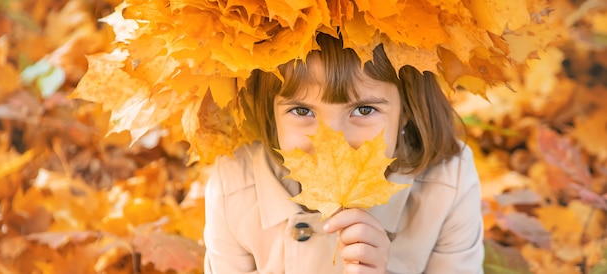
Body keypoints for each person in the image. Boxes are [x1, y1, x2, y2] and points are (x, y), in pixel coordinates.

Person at [203, 33, 484, 273]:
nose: (331, 144)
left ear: (407, 110)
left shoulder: (448, 183)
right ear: (270, 114)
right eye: (302, 111)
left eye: (364, 110)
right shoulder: (234, 189)